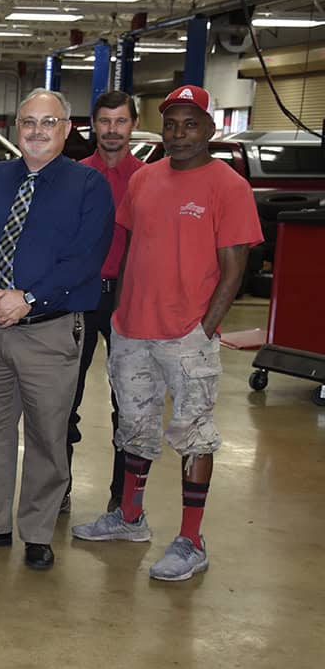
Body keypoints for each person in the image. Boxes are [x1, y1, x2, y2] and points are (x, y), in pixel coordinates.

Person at [71, 84, 262, 582]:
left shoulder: (229, 186)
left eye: (190, 124)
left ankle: (191, 540)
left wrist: (204, 330)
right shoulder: (145, 180)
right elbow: (135, 247)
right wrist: (122, 313)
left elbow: (233, 268)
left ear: (210, 129)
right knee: (134, 426)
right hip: (132, 328)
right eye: (172, 124)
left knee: (193, 436)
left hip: (187, 336)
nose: (179, 135)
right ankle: (130, 518)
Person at [0, 89, 113, 571]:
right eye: (28, 122)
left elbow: (85, 258)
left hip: (50, 330)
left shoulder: (88, 185)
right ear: (16, 127)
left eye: (48, 122)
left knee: (46, 435)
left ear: (66, 129)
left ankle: (38, 532)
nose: (37, 131)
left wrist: (28, 299)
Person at [66, 90, 144, 514]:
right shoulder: (74, 176)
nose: (112, 131)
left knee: (128, 404)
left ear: (133, 124)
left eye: (121, 121)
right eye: (104, 121)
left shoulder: (149, 178)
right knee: (64, 399)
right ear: (92, 125)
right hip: (80, 296)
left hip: (129, 300)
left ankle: (122, 497)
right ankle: (57, 488)